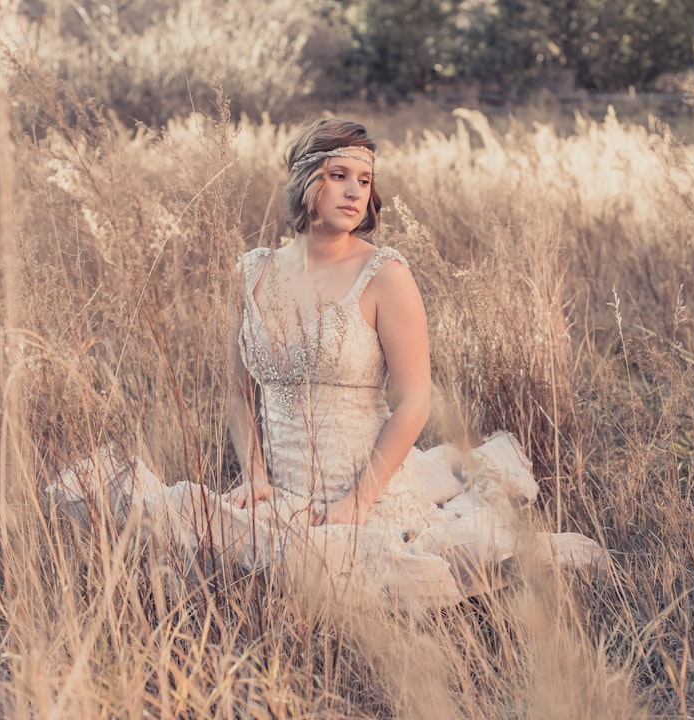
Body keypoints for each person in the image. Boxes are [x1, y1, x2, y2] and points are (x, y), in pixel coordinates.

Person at [52, 119, 604, 607]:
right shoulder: (252, 273)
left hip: (367, 496)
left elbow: (415, 401)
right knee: (169, 518)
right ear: (305, 181)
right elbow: (238, 393)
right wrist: (254, 475)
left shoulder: (385, 274)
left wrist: (357, 500)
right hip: (282, 494)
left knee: (358, 575)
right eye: (339, 175)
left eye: (364, 181)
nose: (354, 192)